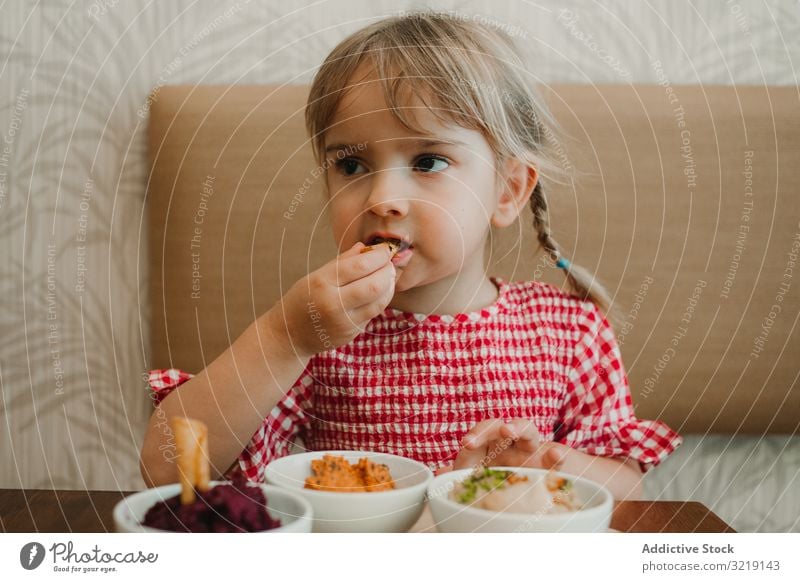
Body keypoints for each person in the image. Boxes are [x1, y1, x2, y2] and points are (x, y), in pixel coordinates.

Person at [139, 11, 681, 500]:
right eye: (351, 166)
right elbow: (170, 469)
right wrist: (285, 337)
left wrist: (541, 467)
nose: (381, 200)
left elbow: (627, 489)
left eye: (428, 160)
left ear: (508, 191)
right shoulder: (319, 336)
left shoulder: (568, 333)